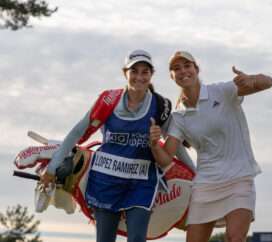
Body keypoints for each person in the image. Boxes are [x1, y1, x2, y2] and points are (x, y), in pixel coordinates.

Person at [40, 49, 178, 242]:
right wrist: (52, 168)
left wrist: (194, 172)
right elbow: (77, 132)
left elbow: (176, 141)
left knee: (137, 238)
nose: (139, 76)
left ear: (151, 74)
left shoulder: (160, 105)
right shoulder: (108, 100)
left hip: (141, 180)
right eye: (134, 71)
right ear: (125, 73)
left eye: (144, 72)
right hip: (106, 179)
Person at [149, 51, 272, 242]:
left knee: (234, 238)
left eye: (187, 65)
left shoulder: (222, 91)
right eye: (176, 68)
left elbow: (268, 82)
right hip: (206, 184)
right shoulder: (179, 117)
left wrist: (252, 79)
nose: (183, 71)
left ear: (196, 69)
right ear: (172, 76)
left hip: (239, 178)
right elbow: (165, 158)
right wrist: (154, 144)